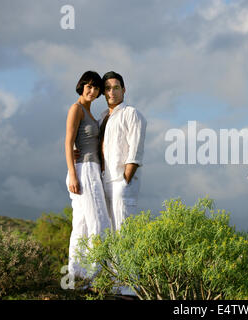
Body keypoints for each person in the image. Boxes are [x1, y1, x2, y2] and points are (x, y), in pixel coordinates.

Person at [98, 71, 147, 298]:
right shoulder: (102, 118)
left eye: (115, 87)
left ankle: (128, 286)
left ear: (123, 90)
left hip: (121, 181)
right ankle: (113, 282)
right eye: (107, 88)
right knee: (109, 230)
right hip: (104, 180)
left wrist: (127, 175)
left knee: (124, 229)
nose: (111, 92)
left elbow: (135, 147)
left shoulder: (131, 113)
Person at [65, 71, 111, 283]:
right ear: (81, 85)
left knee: (82, 224)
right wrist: (73, 175)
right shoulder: (76, 109)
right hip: (83, 171)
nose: (93, 91)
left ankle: (77, 275)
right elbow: (68, 142)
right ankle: (95, 276)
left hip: (91, 170)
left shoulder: (92, 113)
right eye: (89, 86)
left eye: (96, 88)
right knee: (98, 222)